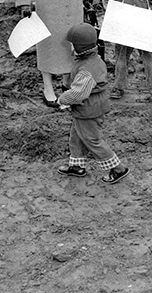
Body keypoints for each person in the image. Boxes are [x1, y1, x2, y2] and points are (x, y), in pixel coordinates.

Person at [56, 23, 130, 184]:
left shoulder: (86, 69)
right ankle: (76, 165)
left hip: (88, 109)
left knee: (92, 140)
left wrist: (62, 99)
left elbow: (78, 93)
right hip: (91, 106)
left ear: (78, 47)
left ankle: (118, 168)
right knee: (76, 136)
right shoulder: (94, 59)